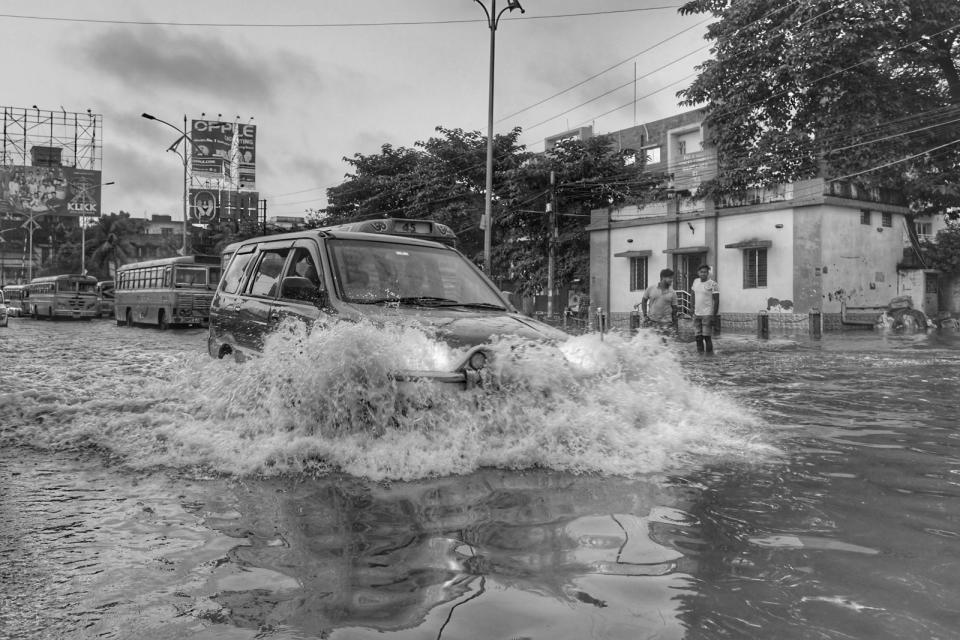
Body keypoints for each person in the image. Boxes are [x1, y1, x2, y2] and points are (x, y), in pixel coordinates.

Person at [690, 265, 720, 354]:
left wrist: (713, 316)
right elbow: (692, 294)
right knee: (698, 337)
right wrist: (692, 307)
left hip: (707, 314)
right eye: (701, 272)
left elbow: (717, 300)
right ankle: (701, 355)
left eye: (705, 272)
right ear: (698, 273)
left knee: (707, 337)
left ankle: (709, 356)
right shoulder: (695, 281)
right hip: (697, 314)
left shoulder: (713, 284)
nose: (703, 273)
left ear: (708, 273)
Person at [640, 268, 678, 334]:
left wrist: (675, 324)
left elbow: (675, 309)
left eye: (672, 278)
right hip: (652, 320)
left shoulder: (673, 292)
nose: (671, 280)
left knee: (665, 343)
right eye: (670, 278)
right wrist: (645, 315)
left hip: (666, 322)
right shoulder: (651, 288)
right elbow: (644, 300)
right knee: (651, 341)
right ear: (663, 277)